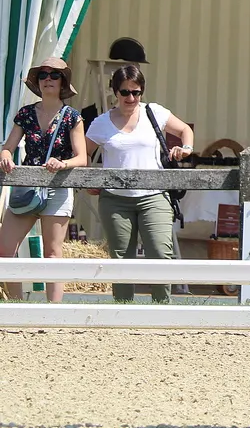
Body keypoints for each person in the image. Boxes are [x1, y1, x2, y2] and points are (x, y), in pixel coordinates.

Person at [84, 64, 194, 302]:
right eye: (125, 92)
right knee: (122, 260)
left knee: (160, 253)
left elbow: (185, 129)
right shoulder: (101, 123)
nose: (131, 98)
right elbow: (84, 154)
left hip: (154, 196)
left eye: (136, 92)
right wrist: (89, 180)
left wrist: (186, 148)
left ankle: (162, 309)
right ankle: (123, 311)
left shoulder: (154, 112)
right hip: (115, 200)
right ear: (115, 92)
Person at [0, 57, 89, 302]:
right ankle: (16, 307)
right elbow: (7, 148)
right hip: (27, 186)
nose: (48, 79)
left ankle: (55, 313)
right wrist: (6, 158)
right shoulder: (26, 113)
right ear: (37, 82)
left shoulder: (72, 116)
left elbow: (82, 158)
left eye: (54, 75)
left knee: (52, 254)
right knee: (5, 250)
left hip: (58, 187)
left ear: (63, 82)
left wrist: (62, 163)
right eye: (43, 75)